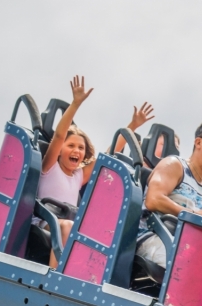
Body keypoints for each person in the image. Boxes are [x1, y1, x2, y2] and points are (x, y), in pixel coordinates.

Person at [37, 76, 153, 266]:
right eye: (71, 146)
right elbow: (59, 135)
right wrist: (75, 104)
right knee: (68, 227)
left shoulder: (78, 175)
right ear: (60, 150)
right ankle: (55, 276)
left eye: (81, 148)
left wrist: (131, 127)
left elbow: (108, 156)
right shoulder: (50, 166)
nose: (76, 151)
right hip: (45, 220)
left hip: (67, 219)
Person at [135, 118, 202, 268]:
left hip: (188, 247)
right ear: (199, 143)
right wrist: (196, 215)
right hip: (155, 239)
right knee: (194, 267)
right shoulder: (175, 165)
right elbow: (154, 200)